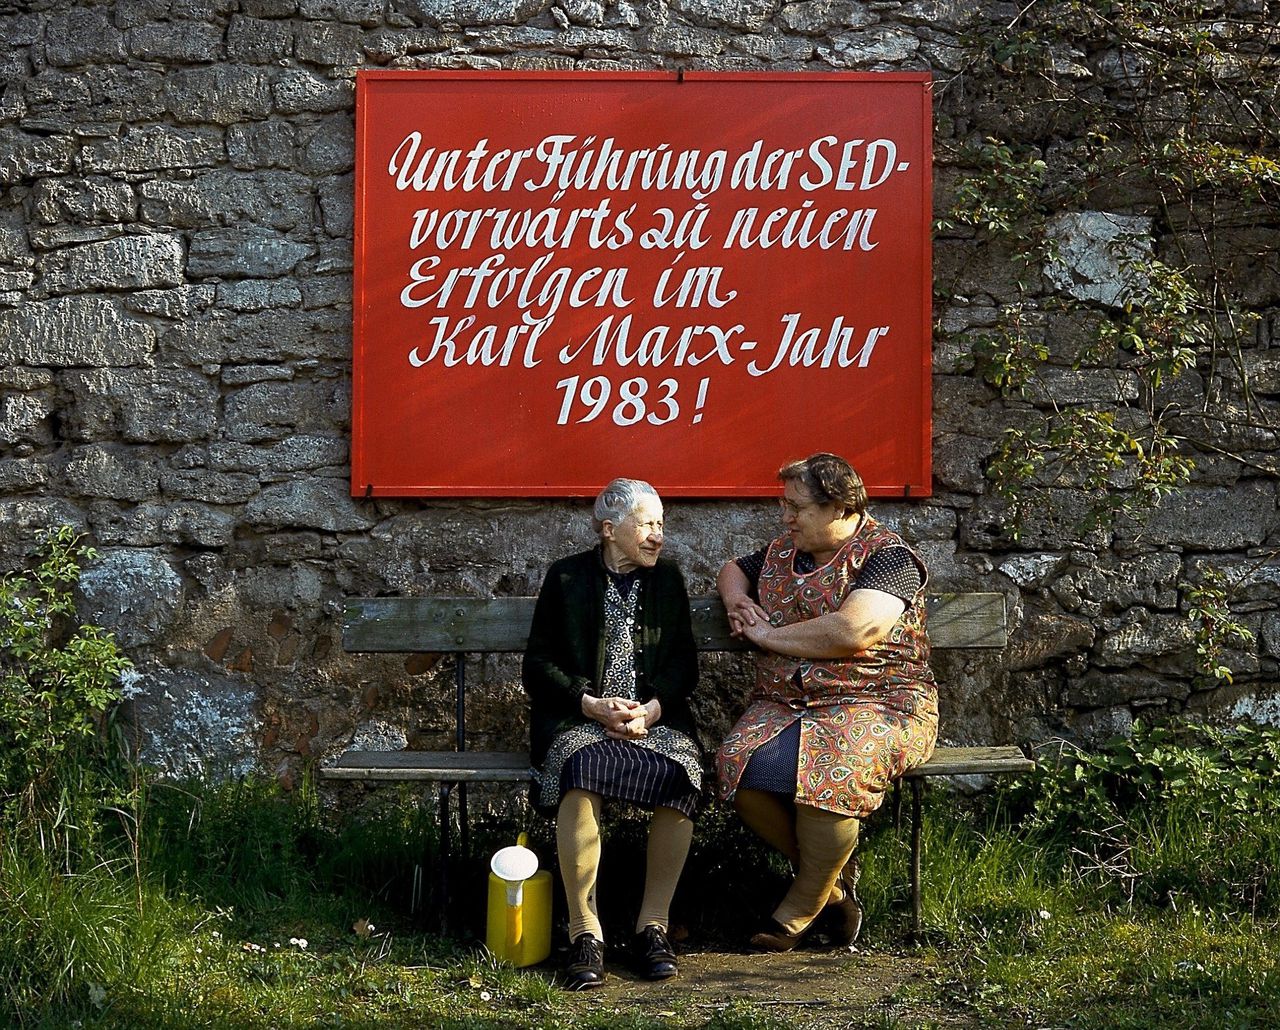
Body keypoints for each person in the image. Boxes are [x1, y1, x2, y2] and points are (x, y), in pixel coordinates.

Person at [716, 453, 937, 951]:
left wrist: (768, 636)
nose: (786, 517)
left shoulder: (888, 558)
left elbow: (853, 630)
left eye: (797, 508)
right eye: (785, 505)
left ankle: (796, 910)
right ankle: (832, 891)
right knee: (735, 763)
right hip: (789, 703)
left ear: (838, 507)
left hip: (879, 701)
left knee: (830, 766)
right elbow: (734, 568)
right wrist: (736, 599)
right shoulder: (784, 551)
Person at [522, 478, 702, 990]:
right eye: (647, 525)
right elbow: (536, 666)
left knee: (683, 771)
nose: (657, 536)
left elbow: (684, 664)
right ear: (608, 530)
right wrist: (590, 703)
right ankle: (586, 932)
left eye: (660, 525)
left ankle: (653, 927)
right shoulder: (566, 579)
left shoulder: (667, 580)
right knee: (580, 770)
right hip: (581, 719)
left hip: (652, 721)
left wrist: (651, 709)